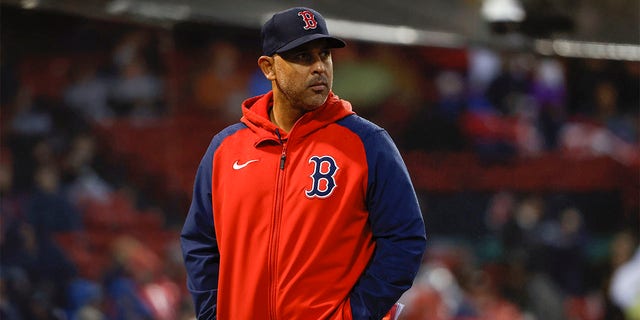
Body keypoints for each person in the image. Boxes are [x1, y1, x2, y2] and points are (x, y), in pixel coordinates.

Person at [180, 7, 427, 320]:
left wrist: (356, 314)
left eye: (324, 55)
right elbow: (201, 242)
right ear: (268, 67)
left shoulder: (368, 143)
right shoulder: (225, 149)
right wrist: (213, 313)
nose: (319, 68)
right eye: (302, 57)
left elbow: (404, 240)